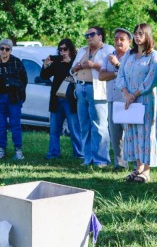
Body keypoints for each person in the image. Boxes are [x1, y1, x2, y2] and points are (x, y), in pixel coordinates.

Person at [115, 24, 157, 182]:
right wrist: (126, 93)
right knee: (132, 132)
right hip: (129, 99)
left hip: (145, 99)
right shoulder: (129, 54)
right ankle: (138, 167)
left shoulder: (154, 55)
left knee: (145, 133)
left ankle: (146, 170)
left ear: (147, 35)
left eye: (141, 33)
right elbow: (120, 74)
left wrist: (134, 94)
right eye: (135, 34)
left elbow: (151, 79)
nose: (137, 36)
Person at [71, 27, 115, 167]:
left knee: (99, 126)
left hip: (97, 89)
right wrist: (77, 67)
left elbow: (112, 67)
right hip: (81, 87)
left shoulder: (108, 49)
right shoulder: (82, 50)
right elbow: (71, 70)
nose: (88, 37)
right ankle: (88, 158)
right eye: (86, 35)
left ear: (100, 36)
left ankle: (101, 160)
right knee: (84, 125)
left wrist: (93, 65)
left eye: (92, 34)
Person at [41, 39, 83, 160]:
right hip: (57, 99)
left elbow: (76, 75)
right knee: (54, 129)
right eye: (60, 49)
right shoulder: (57, 62)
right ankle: (53, 153)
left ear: (71, 49)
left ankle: (79, 154)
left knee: (74, 128)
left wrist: (69, 63)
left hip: (70, 100)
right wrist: (45, 65)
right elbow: (44, 76)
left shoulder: (76, 62)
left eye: (65, 49)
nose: (62, 52)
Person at [0, 39, 28, 161]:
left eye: (7, 49)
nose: (4, 51)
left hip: (14, 98)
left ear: (10, 50)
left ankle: (18, 150)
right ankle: (2, 150)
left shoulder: (16, 62)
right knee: (0, 125)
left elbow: (24, 80)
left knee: (15, 124)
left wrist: (18, 92)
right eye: (2, 48)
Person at [100, 28, 133, 171]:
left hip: (128, 100)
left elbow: (131, 74)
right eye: (116, 39)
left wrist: (117, 66)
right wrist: (116, 71)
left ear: (129, 42)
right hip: (113, 99)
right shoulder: (109, 56)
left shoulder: (133, 56)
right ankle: (119, 164)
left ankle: (135, 163)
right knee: (115, 135)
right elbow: (101, 76)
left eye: (122, 39)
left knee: (130, 133)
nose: (118, 41)